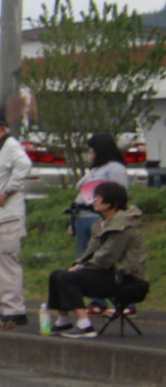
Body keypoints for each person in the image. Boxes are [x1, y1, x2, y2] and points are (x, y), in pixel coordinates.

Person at [47, 182, 145, 338]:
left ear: (113, 202)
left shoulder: (123, 225)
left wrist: (81, 268)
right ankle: (63, 321)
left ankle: (85, 326)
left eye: (99, 197)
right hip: (104, 273)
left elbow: (108, 255)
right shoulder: (100, 225)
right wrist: (79, 264)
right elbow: (90, 251)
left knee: (68, 277)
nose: (95, 200)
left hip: (124, 278)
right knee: (57, 275)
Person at [0, 118, 32, 330]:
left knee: (7, 263)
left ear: (0, 129)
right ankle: (7, 306)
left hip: (6, 215)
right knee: (0, 264)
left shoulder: (10, 146)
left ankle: (14, 309)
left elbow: (25, 164)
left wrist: (8, 191)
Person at [71, 133, 130, 314]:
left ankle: (125, 301)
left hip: (101, 217)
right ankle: (97, 300)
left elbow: (120, 193)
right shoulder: (95, 169)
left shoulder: (115, 168)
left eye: (92, 149)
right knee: (85, 259)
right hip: (83, 215)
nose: (90, 153)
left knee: (106, 257)